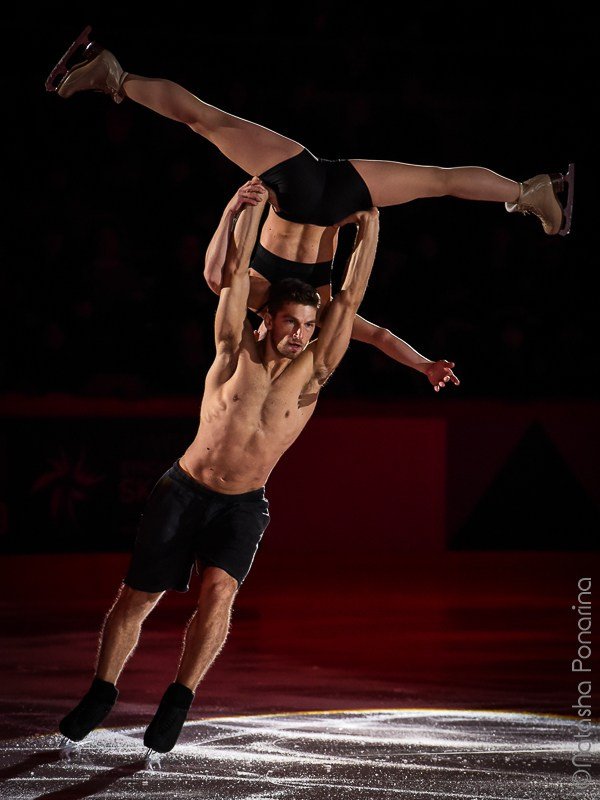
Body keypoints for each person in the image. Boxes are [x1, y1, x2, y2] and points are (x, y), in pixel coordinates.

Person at [57, 187, 382, 754]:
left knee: (219, 595)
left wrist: (369, 228)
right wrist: (247, 208)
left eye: (308, 325)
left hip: (243, 504)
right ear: (267, 319)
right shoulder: (234, 350)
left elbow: (350, 298)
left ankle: (178, 700)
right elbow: (233, 275)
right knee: (138, 596)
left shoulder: (315, 372)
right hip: (182, 490)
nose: (300, 334)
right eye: (290, 322)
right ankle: (102, 692)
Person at [46, 26, 574, 243]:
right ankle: (527, 192)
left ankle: (114, 77)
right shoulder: (287, 308)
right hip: (314, 194)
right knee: (206, 121)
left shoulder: (279, 308)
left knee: (207, 121)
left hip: (320, 198)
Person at [206, 177, 460, 391]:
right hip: (334, 204)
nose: (297, 335)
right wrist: (425, 365)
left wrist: (231, 210)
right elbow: (379, 336)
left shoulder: (253, 295)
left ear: (260, 332)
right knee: (438, 180)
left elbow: (213, 274)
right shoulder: (319, 313)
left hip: (287, 192)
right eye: (300, 337)